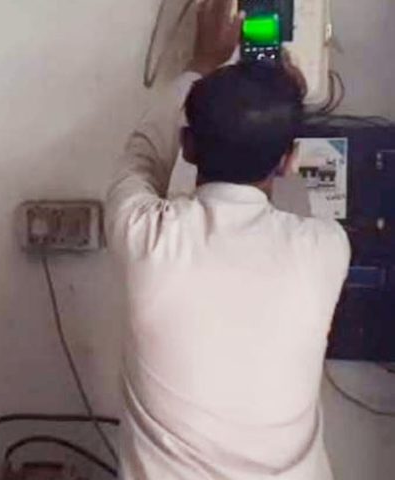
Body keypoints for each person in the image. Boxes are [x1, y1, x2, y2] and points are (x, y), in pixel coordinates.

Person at [106, 0, 350, 478]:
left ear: (188, 146)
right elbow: (296, 204)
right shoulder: (325, 249)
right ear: (288, 160)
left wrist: (198, 65)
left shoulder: (146, 238)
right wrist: (282, 100)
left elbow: (142, 155)